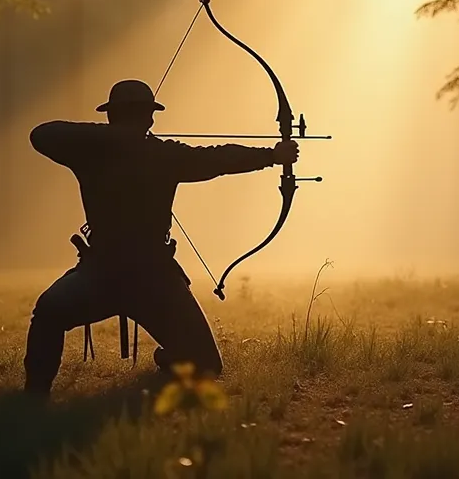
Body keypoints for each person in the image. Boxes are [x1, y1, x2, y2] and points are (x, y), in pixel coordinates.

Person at [22, 78, 299, 397]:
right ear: (147, 117)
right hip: (101, 272)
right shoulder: (93, 152)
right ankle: (34, 394)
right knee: (49, 309)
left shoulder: (160, 154)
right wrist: (113, 137)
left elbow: (218, 159)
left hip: (154, 275)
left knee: (206, 365)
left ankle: (169, 358)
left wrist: (273, 155)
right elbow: (41, 134)